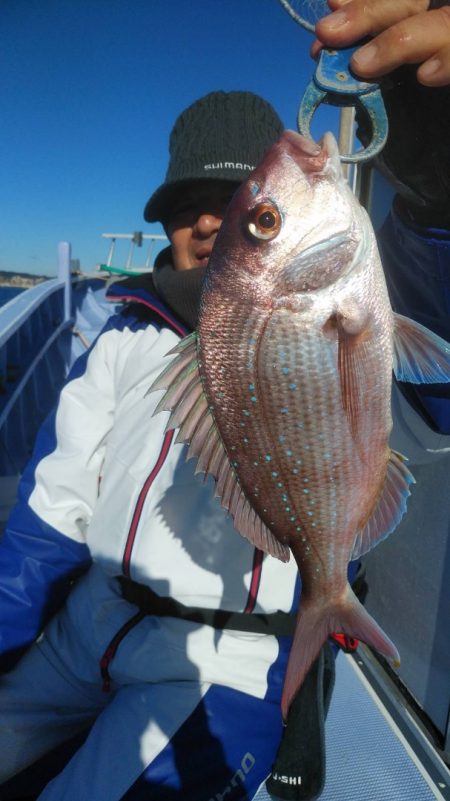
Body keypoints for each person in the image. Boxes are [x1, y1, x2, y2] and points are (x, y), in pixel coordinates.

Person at [0, 1, 449, 799]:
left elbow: (432, 355)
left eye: (238, 201)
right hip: (81, 630)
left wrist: (433, 195)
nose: (208, 219)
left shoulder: (344, 297)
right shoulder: (117, 336)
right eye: (183, 205)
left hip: (220, 658)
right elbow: (54, 507)